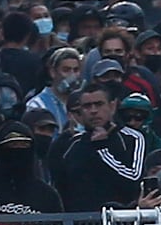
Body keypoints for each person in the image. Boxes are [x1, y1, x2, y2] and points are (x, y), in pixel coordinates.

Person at [48, 84, 147, 212]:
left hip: (121, 219)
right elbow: (59, 186)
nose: (93, 111)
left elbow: (133, 179)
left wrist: (102, 149)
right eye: (87, 106)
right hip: (79, 220)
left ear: (112, 106)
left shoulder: (132, 138)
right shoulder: (71, 144)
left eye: (99, 104)